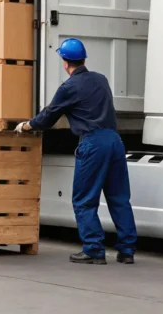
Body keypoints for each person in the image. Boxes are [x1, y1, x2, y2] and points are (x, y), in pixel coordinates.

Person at [16, 38, 137, 265]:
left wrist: (27, 125)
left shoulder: (69, 88)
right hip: (114, 141)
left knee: (84, 199)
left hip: (93, 144)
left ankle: (93, 249)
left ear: (65, 62)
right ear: (83, 59)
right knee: (119, 198)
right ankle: (127, 250)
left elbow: (49, 116)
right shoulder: (101, 80)